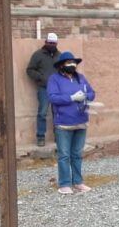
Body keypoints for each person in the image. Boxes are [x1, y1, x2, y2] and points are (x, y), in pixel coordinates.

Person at [47, 51, 96, 195]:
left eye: (74, 62)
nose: (72, 65)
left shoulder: (80, 78)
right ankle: (64, 184)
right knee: (64, 155)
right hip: (63, 123)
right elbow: (53, 97)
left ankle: (78, 182)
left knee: (77, 154)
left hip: (81, 122)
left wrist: (86, 96)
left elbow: (92, 93)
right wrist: (72, 97)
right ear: (61, 65)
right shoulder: (54, 79)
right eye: (68, 62)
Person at [26, 32, 60, 147]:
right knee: (42, 113)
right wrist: (41, 78)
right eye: (49, 43)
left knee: (58, 113)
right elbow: (30, 70)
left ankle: (58, 135)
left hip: (57, 90)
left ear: (56, 43)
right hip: (44, 89)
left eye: (53, 43)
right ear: (45, 42)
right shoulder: (37, 55)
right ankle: (40, 137)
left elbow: (63, 71)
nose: (51, 45)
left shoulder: (59, 56)